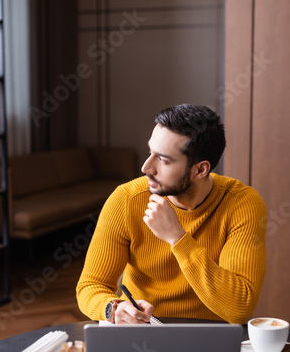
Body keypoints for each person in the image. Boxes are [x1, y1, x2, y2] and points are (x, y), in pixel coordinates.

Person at [76, 104, 266, 325]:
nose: (147, 167)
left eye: (163, 160)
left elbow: (238, 309)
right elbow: (90, 286)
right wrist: (113, 309)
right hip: (144, 332)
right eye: (150, 152)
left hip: (211, 335)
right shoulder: (127, 199)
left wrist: (177, 238)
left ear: (200, 170)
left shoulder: (242, 204)